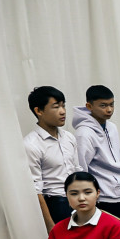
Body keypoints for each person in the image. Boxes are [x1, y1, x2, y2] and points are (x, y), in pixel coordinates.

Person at [73, 85, 120, 223]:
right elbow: (82, 170)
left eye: (112, 104)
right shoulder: (84, 133)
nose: (109, 109)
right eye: (103, 105)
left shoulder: (112, 127)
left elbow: (117, 158)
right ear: (89, 106)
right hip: (105, 199)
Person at [25, 86, 80, 223]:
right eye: (56, 107)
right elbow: (36, 191)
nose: (62, 112)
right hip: (57, 203)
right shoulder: (31, 144)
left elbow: (78, 170)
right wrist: (50, 225)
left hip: (79, 198)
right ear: (39, 111)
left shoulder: (69, 137)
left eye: (63, 106)